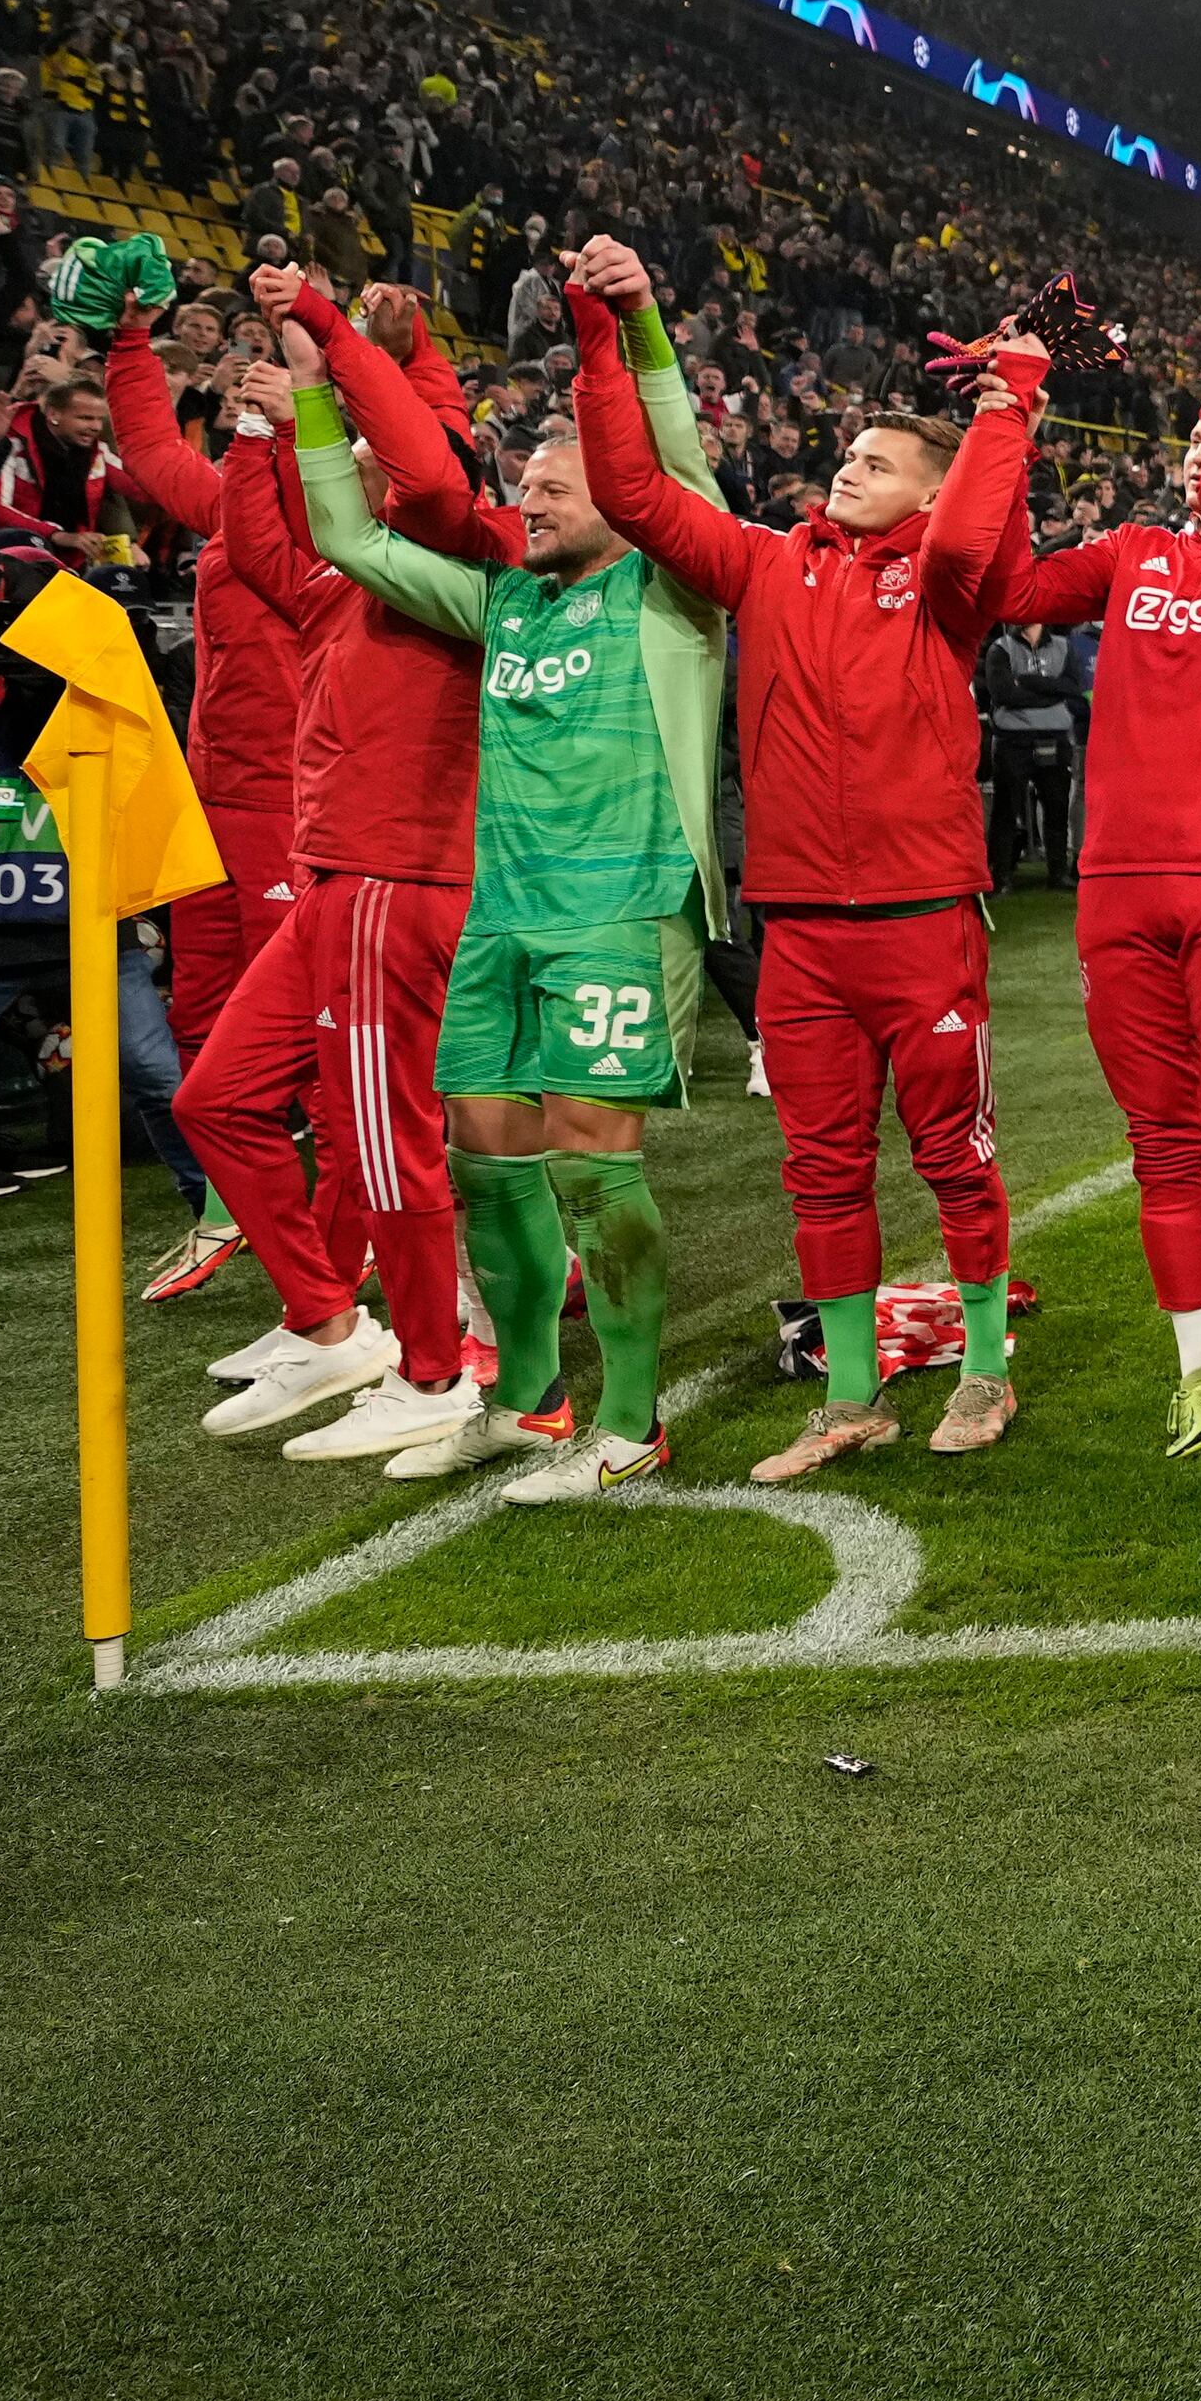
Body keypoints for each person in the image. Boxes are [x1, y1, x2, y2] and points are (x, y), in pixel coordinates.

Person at [569, 235, 1035, 1465]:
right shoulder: (766, 563)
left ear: (928, 496)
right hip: (801, 931)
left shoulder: (947, 581)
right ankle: (852, 1395)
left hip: (923, 919)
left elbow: (973, 536)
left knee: (955, 1160)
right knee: (821, 1172)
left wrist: (1007, 411)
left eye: (877, 463)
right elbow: (633, 496)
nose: (847, 469)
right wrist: (601, 337)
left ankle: (985, 1372)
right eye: (848, 455)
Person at [291, 283, 728, 1501]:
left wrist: (634, 331)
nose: (526, 503)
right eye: (524, 486)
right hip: (500, 916)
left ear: (622, 501)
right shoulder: (503, 603)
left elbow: (680, 468)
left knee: (592, 1168)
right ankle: (530, 1405)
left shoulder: (672, 591)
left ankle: (630, 1425)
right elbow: (351, 542)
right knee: (483, 1164)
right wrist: (317, 398)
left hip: (620, 910)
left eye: (554, 490)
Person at [961, 406, 1201, 1460]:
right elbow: (1010, 592)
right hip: (1117, 883)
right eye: (1194, 443)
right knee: (1162, 1143)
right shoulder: (1132, 551)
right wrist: (1013, 445)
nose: (1196, 460)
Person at [184, 275, 486, 1463]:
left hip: (396, 877)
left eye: (358, 454)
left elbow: (428, 458)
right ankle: (325, 1322)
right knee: (217, 1101)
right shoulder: (341, 582)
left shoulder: (458, 560)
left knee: (381, 1141)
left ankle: (432, 1371)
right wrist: (264, 426)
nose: (345, 465)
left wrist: (325, 344)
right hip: (331, 879)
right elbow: (256, 543)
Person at [101, 297, 302, 1305]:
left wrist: (295, 413)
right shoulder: (232, 505)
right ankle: (232, 1208)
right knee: (200, 1013)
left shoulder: (336, 519)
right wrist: (129, 339)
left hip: (295, 804)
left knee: (307, 1029)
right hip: (211, 797)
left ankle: (363, 1229)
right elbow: (145, 448)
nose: (244, 393)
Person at [977, 617, 1082, 891]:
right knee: (1005, 810)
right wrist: (1051, 690)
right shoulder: (1000, 648)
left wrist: (1026, 682)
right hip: (1012, 740)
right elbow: (1003, 695)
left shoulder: (1063, 646)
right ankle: (1001, 877)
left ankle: (1058, 874)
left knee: (1057, 808)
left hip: (1055, 736)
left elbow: (1072, 688)